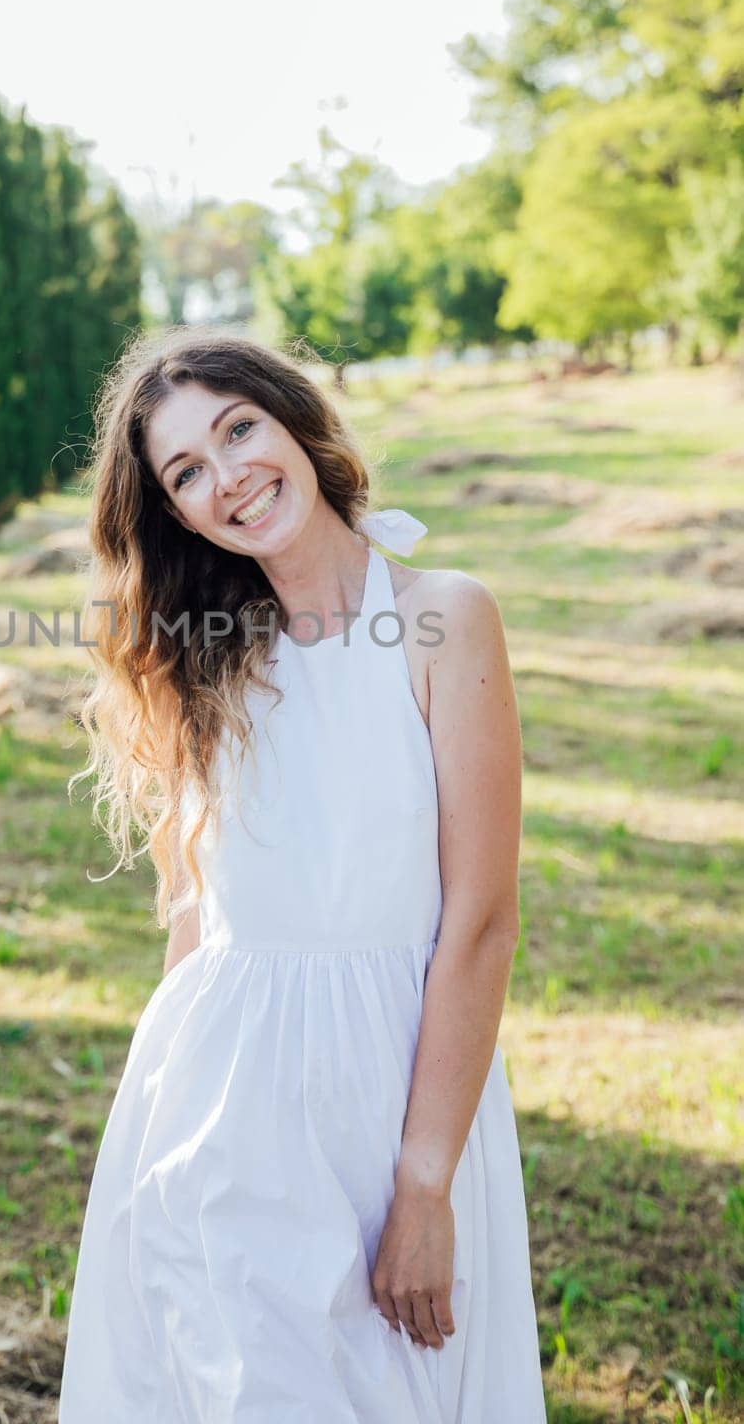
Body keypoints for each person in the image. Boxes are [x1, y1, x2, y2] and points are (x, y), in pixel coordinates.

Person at [57, 327, 547, 1423]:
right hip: (221, 1111)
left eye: (237, 429)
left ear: (291, 421)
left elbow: (475, 919)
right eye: (185, 471)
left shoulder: (440, 617)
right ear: (175, 515)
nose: (226, 475)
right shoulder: (205, 654)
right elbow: (197, 918)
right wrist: (155, 1136)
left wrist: (422, 1179)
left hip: (391, 1102)